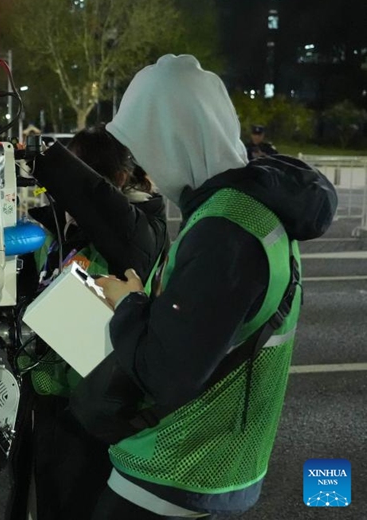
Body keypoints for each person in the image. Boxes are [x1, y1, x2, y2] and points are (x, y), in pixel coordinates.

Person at [85, 54, 336, 519]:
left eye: (147, 148)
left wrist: (128, 303)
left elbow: (164, 372)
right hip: (217, 461)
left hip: (176, 469)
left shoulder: (226, 230)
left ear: (174, 140)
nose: (147, 168)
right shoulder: (253, 207)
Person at [6, 126, 168, 520]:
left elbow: (98, 203)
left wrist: (49, 160)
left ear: (120, 179)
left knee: (80, 504)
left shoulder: (139, 231)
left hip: (97, 404)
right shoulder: (58, 225)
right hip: (50, 395)